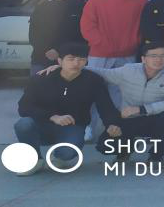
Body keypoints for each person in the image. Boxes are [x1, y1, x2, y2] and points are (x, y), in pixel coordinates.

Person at [14, 42, 120, 174]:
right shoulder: (41, 78)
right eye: (71, 59)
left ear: (86, 61)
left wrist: (111, 124)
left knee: (68, 152)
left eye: (81, 59)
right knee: (23, 124)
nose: (76, 63)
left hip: (73, 126)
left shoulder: (93, 80)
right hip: (42, 124)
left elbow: (105, 106)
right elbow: (24, 107)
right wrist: (52, 116)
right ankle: (34, 160)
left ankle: (59, 157)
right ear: (60, 61)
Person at [84, 42, 164, 163]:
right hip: (129, 119)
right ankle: (126, 149)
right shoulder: (129, 70)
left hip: (156, 119)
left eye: (163, 56)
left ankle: (157, 155)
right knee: (105, 146)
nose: (158, 60)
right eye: (153, 56)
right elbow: (103, 73)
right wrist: (74, 67)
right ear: (143, 59)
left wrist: (142, 109)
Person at [80, 0, 147, 136]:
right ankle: (88, 127)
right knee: (92, 89)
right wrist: (100, 42)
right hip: (100, 53)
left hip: (127, 53)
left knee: (122, 93)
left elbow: (143, 26)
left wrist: (134, 42)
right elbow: (87, 24)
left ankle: (116, 127)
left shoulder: (141, 0)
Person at [28, 0, 84, 75]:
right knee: (37, 83)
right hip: (40, 57)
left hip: (68, 58)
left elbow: (79, 35)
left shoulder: (80, 7)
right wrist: (45, 49)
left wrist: (59, 50)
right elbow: (33, 32)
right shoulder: (42, 7)